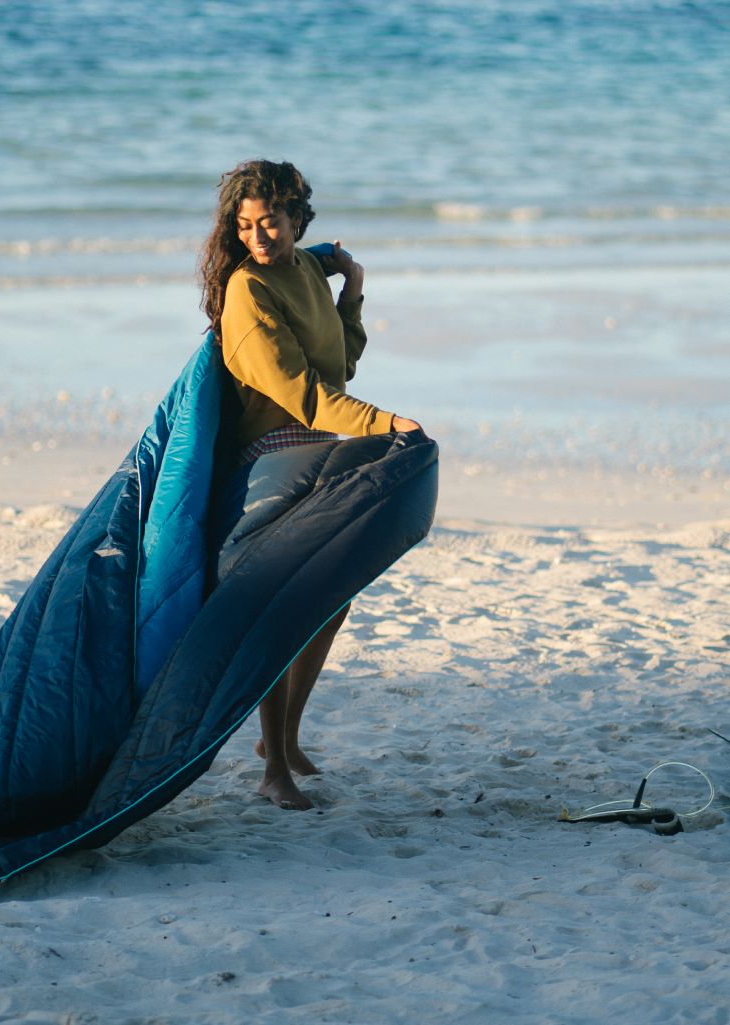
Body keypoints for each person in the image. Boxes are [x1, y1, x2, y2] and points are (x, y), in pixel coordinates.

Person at [198, 159, 423, 811]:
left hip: (316, 448)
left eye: (269, 221)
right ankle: (271, 771)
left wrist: (350, 290)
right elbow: (299, 394)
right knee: (285, 604)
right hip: (267, 458)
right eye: (244, 225)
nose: (257, 236)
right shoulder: (247, 289)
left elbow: (340, 364)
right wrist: (385, 423)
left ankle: (283, 741)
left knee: (332, 600)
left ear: (295, 218)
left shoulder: (300, 273)